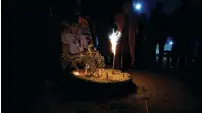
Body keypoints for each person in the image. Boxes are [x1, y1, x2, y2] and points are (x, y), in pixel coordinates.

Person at [114, 0, 138, 71]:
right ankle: (118, 66)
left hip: (128, 38)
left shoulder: (132, 16)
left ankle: (125, 66)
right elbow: (116, 24)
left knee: (126, 51)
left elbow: (135, 28)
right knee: (118, 51)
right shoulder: (120, 15)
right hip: (120, 37)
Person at [149, 2, 169, 68]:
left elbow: (151, 25)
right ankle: (159, 63)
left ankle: (153, 63)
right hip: (162, 35)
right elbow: (167, 26)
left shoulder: (154, 15)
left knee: (154, 48)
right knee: (161, 49)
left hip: (155, 35)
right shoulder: (164, 15)